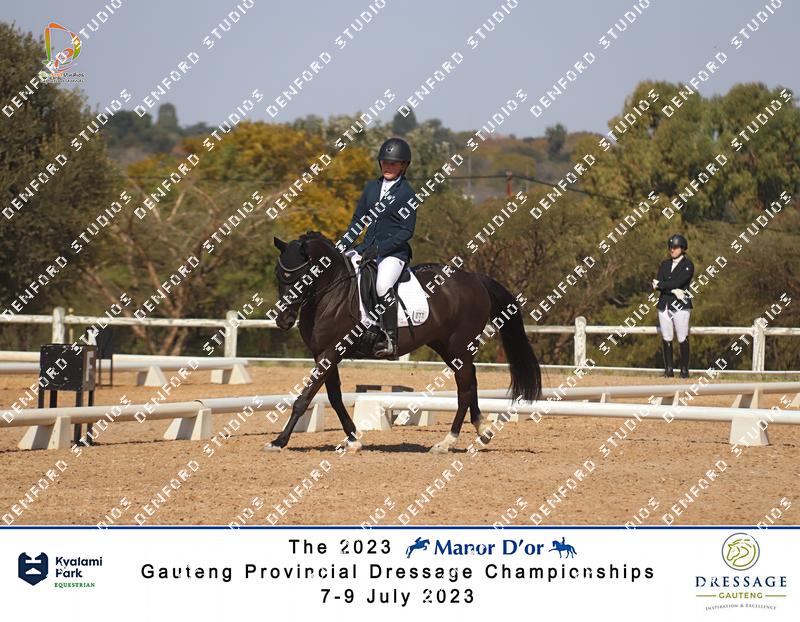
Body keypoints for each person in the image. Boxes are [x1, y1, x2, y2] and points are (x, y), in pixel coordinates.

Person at [336, 137, 417, 358]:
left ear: (403, 166)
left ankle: (390, 340)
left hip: (393, 254)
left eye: (393, 163)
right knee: (342, 271)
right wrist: (342, 246)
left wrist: (380, 250)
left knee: (382, 285)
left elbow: (406, 232)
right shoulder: (371, 187)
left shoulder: (407, 194)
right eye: (384, 162)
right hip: (366, 248)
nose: (388, 167)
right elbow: (358, 221)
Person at [653, 234, 694, 378]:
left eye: (675, 247)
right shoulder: (664, 264)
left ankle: (684, 370)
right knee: (667, 336)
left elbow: (678, 282)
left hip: (680, 305)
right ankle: (669, 369)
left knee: (682, 336)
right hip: (664, 304)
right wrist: (672, 290)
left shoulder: (688, 265)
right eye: (671, 247)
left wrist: (663, 286)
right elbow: (658, 284)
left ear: (682, 248)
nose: (672, 249)